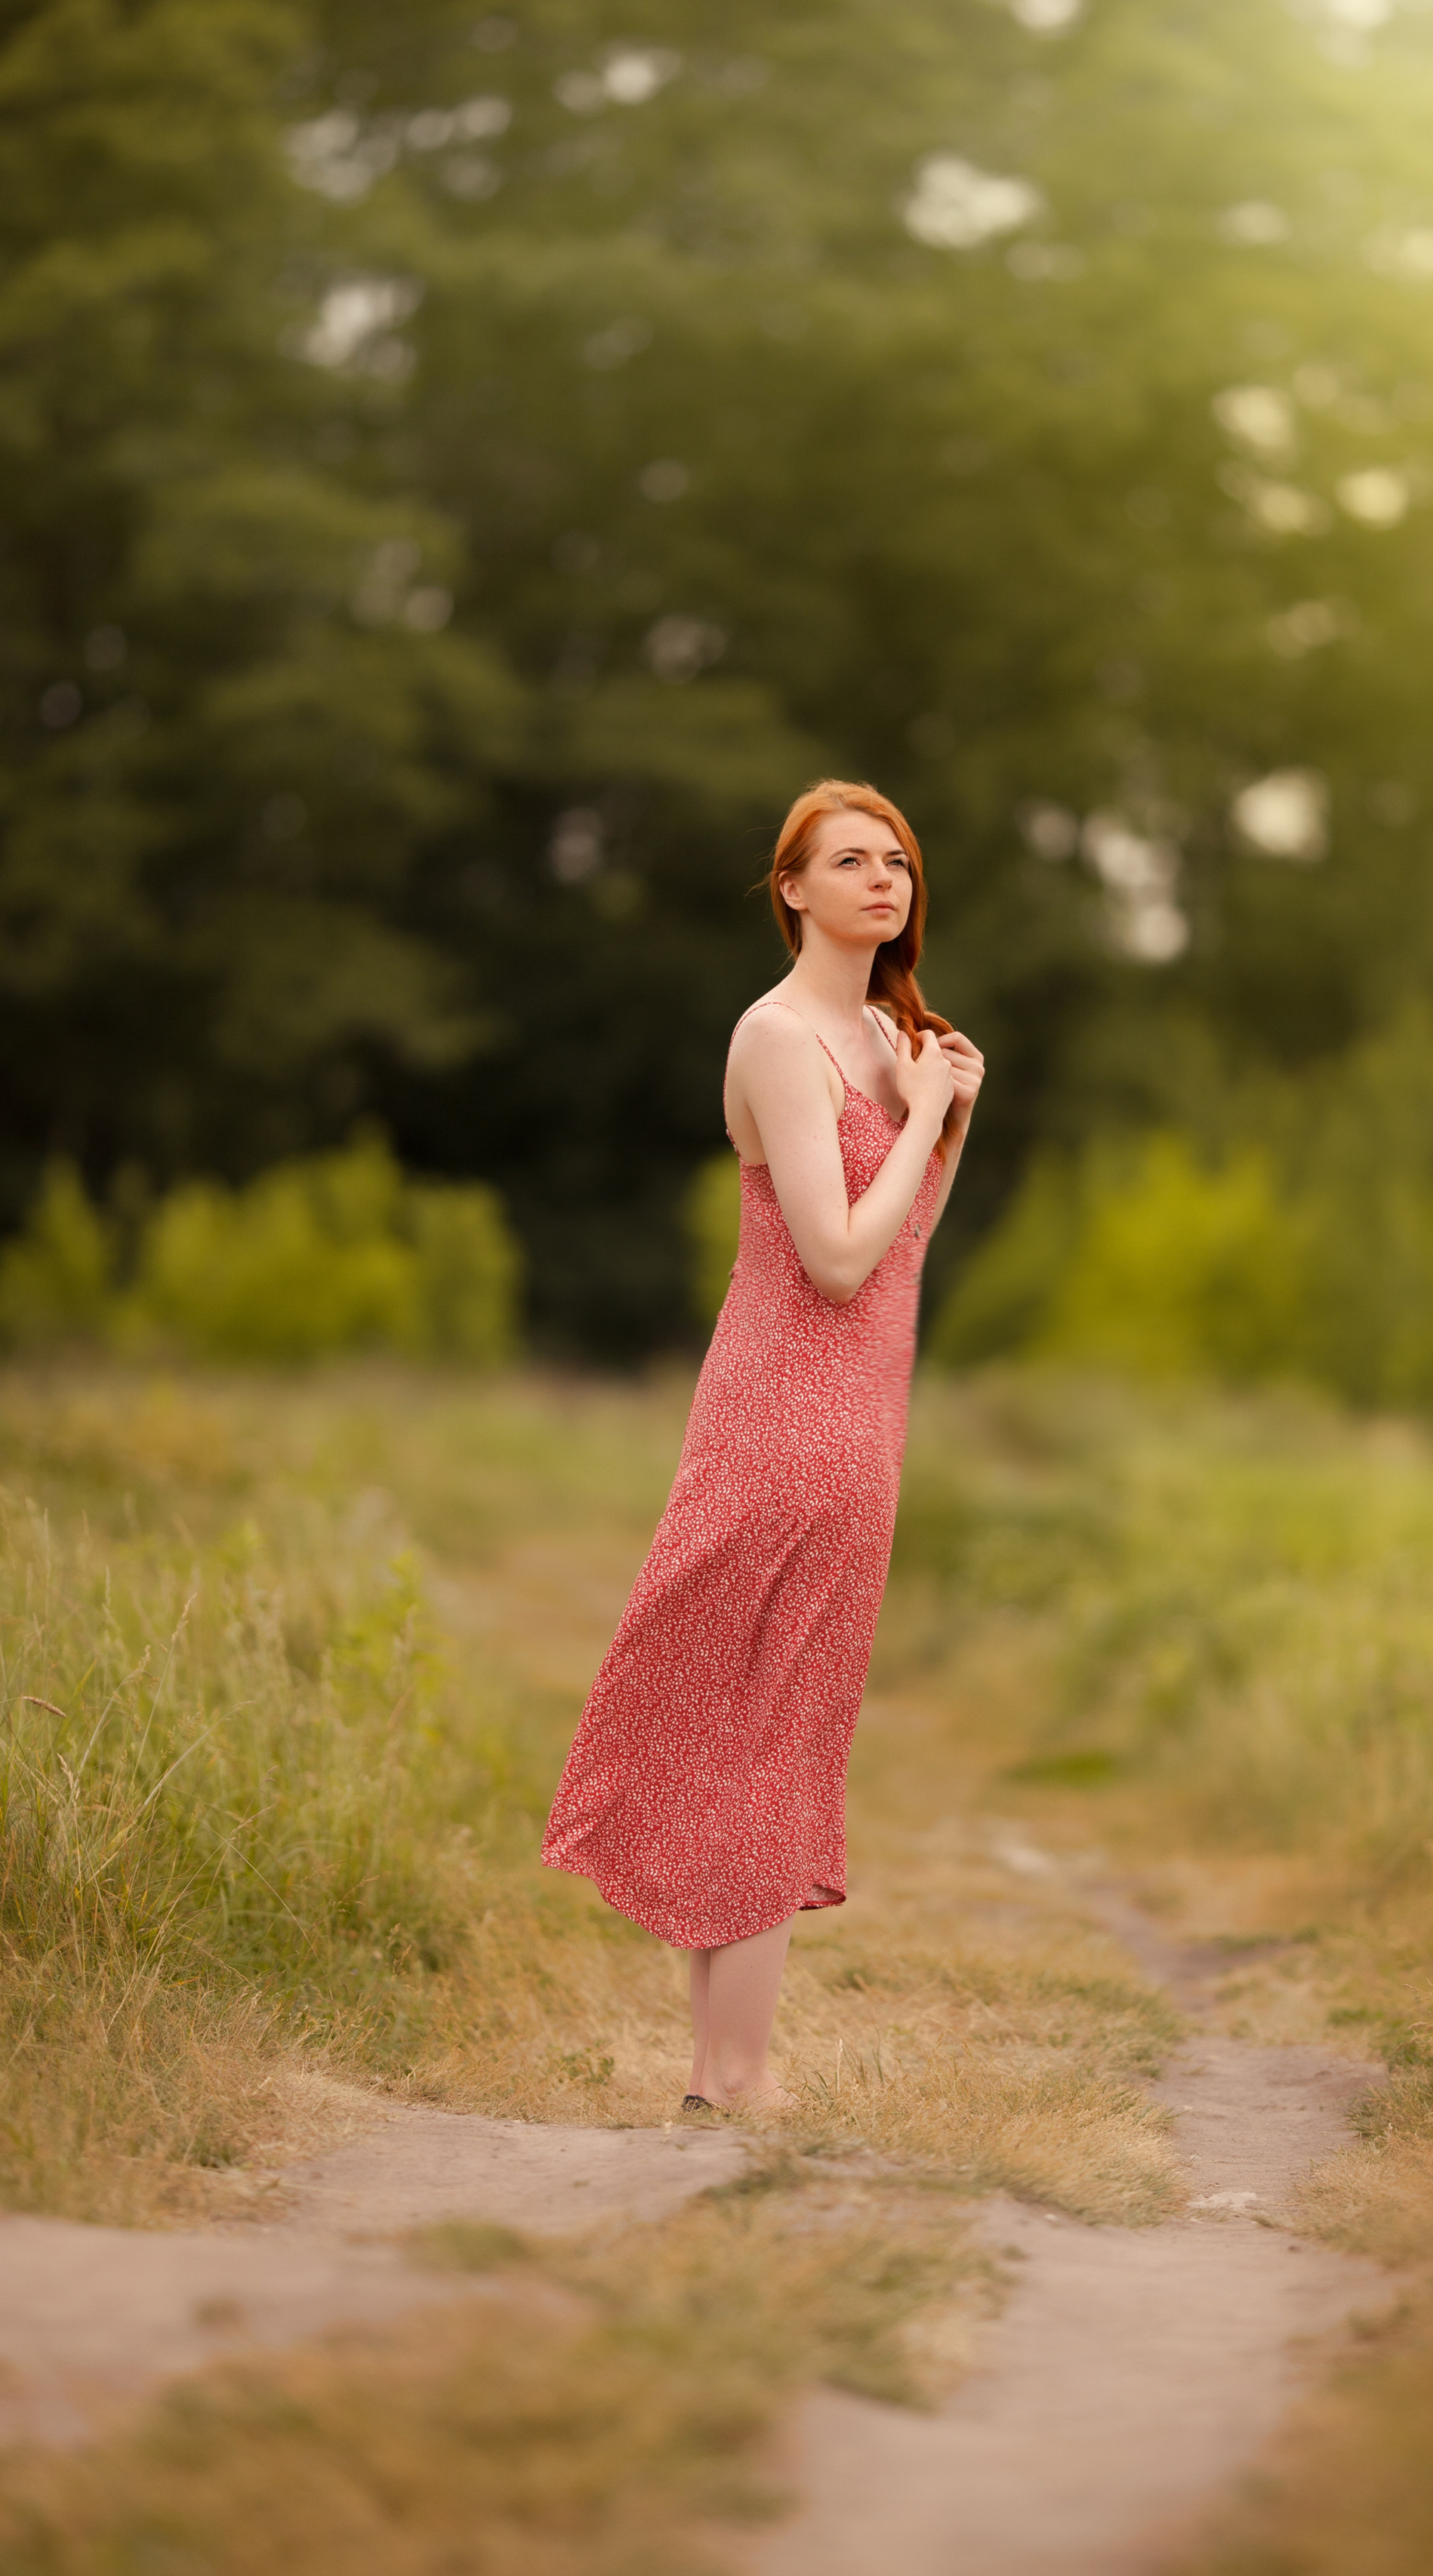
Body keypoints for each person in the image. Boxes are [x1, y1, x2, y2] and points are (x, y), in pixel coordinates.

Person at [541, 777, 985, 2114]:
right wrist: (915, 1119)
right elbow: (837, 1258)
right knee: (748, 1729)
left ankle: (723, 2076)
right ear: (790, 888)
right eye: (849, 860)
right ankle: (733, 2080)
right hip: (779, 1410)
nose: (882, 879)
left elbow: (905, 1246)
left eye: (896, 860)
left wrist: (948, 1112)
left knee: (780, 1731)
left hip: (862, 1420)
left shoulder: (894, 1038)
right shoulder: (779, 1037)